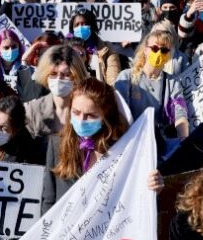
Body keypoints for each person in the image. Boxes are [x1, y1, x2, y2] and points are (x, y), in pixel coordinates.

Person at [42, 78, 163, 211]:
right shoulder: (56, 145)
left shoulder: (124, 151)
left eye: (91, 116)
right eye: (76, 112)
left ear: (106, 117)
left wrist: (152, 190)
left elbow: (137, 204)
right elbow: (48, 201)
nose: (81, 120)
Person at [25, 45, 91, 140]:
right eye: (53, 74)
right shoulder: (33, 110)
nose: (59, 79)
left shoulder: (89, 109)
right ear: (45, 75)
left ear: (77, 75)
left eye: (67, 74)